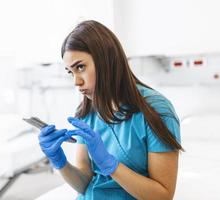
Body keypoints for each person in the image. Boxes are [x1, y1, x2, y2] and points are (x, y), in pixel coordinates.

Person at [38, 20, 183, 200]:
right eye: (70, 72)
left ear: (106, 60)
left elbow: (162, 196)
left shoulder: (156, 111)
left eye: (80, 67)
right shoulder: (86, 112)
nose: (76, 81)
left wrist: (111, 166)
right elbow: (84, 184)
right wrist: (60, 162)